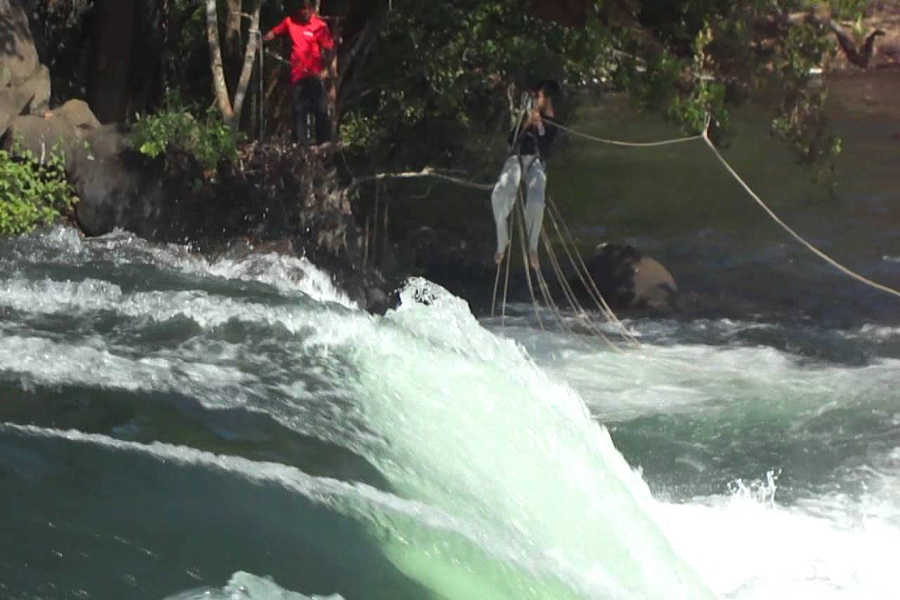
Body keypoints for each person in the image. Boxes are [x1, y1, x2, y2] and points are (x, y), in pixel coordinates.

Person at [491, 80, 560, 270]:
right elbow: (510, 140)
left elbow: (547, 147)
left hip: (536, 162)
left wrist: (538, 125)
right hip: (516, 158)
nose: (537, 101)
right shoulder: (521, 115)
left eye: (539, 97)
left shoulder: (551, 121)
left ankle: (532, 247)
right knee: (500, 192)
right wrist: (526, 123)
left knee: (537, 200)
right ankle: (502, 242)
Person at [263, 0, 336, 145]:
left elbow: (329, 48)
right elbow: (274, 32)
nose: (304, 12)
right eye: (302, 9)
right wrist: (262, 39)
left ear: (311, 9)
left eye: (307, 9)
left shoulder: (319, 26)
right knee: (298, 109)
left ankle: (324, 142)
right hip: (298, 74)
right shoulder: (290, 22)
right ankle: (301, 144)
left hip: (314, 74)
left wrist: (327, 70)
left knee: (320, 109)